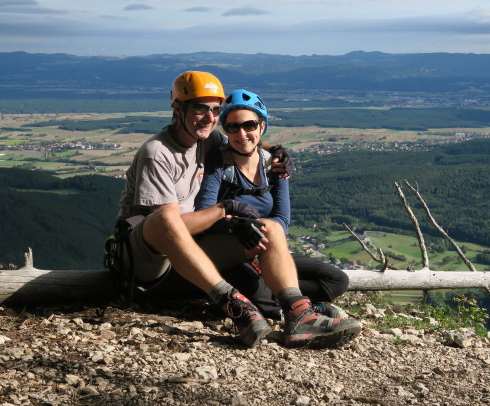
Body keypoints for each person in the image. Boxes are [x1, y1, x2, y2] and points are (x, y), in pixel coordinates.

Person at [111, 71, 361, 349]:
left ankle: (300, 313)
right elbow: (170, 228)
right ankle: (235, 304)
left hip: (190, 255)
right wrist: (225, 210)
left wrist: (277, 150)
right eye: (199, 108)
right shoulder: (157, 152)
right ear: (178, 108)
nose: (209, 117)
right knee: (166, 217)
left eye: (215, 110)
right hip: (148, 262)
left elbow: (244, 141)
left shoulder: (206, 140)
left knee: (270, 228)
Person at [196, 89, 350, 321]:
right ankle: (299, 309)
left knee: (336, 281)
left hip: (266, 246)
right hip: (230, 249)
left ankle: (288, 300)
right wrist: (236, 226)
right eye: (232, 127)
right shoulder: (219, 164)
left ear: (262, 126)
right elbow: (204, 214)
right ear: (225, 131)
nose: (241, 133)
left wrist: (259, 232)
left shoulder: (274, 166)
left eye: (249, 125)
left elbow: (282, 220)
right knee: (260, 296)